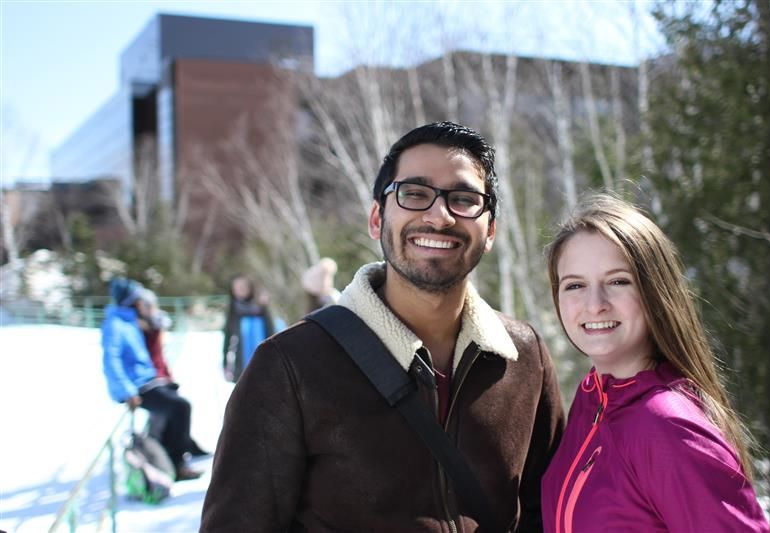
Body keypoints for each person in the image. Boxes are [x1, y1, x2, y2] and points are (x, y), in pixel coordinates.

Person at [201, 121, 565, 531]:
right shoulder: (289, 365)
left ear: (491, 230)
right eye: (414, 194)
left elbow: (549, 512)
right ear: (377, 219)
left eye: (464, 199)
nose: (439, 216)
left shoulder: (523, 356)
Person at [540, 194, 770, 532]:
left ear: (655, 291)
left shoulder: (666, 424)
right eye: (575, 285)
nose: (594, 304)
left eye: (618, 281)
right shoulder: (591, 401)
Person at [101, 277, 203, 481]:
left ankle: (171, 456)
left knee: (174, 402)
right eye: (139, 301)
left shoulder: (129, 321)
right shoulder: (115, 324)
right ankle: (177, 464)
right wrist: (127, 391)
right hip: (137, 387)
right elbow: (112, 360)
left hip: (148, 380)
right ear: (132, 302)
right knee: (180, 407)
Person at [221, 274, 277, 382]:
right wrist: (225, 363)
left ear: (250, 288)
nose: (239, 290)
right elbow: (227, 338)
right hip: (240, 365)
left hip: (263, 363)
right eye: (236, 288)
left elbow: (271, 334)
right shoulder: (233, 310)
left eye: (242, 286)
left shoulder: (261, 309)